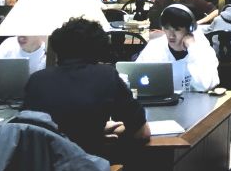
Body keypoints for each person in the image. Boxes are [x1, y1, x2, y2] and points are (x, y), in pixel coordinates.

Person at [23, 17, 150, 154]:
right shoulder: (106, 76)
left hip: (40, 168)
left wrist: (92, 130)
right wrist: (93, 132)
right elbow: (142, 133)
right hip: (84, 167)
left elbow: (29, 130)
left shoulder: (36, 80)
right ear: (99, 48)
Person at [136, 3, 220, 92]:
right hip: (161, 104)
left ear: (189, 30)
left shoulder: (202, 50)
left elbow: (204, 86)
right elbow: (135, 77)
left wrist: (192, 48)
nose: (171, 35)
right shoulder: (155, 47)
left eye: (177, 29)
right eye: (167, 28)